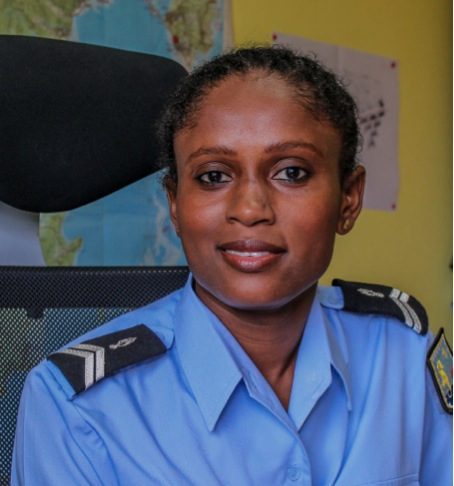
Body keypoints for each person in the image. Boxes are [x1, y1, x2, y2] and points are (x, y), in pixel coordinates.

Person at [12, 46, 452, 485]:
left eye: (292, 172)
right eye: (213, 176)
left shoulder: (404, 357)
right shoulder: (76, 408)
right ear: (175, 205)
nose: (250, 209)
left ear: (349, 199)